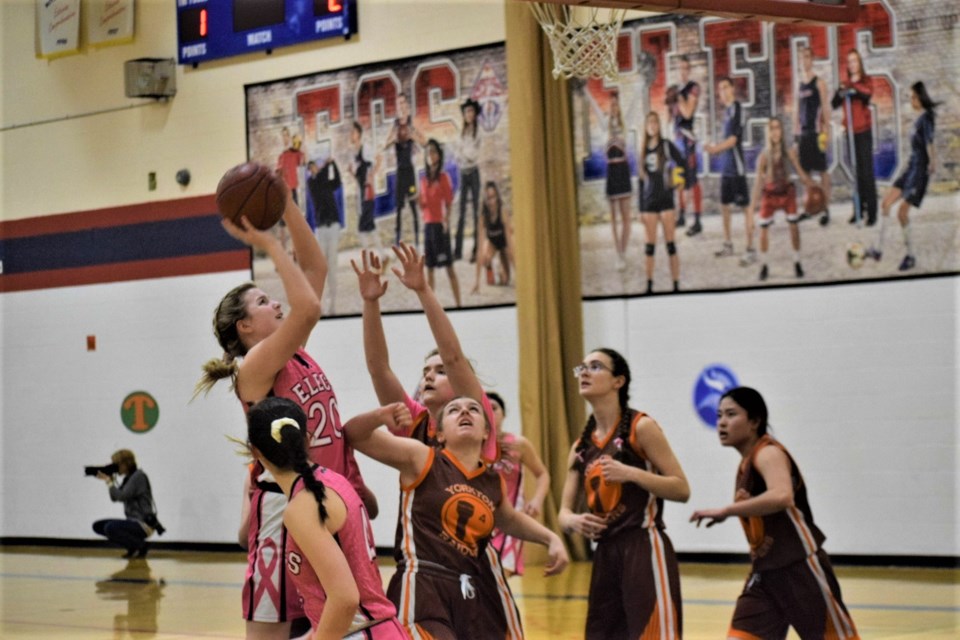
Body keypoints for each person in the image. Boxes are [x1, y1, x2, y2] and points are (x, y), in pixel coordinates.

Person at [196, 185, 375, 640]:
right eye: (262, 302)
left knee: (336, 626)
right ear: (246, 326)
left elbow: (317, 269)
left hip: (326, 501)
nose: (277, 303)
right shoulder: (254, 369)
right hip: (283, 510)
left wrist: (286, 201)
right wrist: (269, 243)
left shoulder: (296, 354)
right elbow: (310, 306)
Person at [345, 394, 569, 639]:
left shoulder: (492, 481)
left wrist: (551, 539)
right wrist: (379, 416)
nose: (464, 412)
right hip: (423, 583)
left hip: (468, 589)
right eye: (454, 410)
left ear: (486, 432)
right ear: (440, 434)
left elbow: (508, 518)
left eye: (473, 409)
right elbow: (355, 435)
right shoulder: (422, 457)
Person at [690, 387, 860, 640]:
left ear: (755, 421)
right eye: (719, 415)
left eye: (731, 414)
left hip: (799, 568)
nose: (722, 422)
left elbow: (782, 495)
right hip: (765, 574)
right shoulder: (746, 464)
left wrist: (727, 510)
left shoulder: (768, 452)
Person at [246, 397, 408, 640]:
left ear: (255, 451)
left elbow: (345, 599)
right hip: (382, 630)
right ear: (307, 439)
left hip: (361, 633)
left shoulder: (302, 507)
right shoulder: (335, 482)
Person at [558, 348, 690, 639]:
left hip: (643, 544)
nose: (584, 373)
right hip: (605, 552)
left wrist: (631, 473)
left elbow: (681, 488)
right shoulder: (581, 445)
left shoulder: (642, 427)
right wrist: (573, 521)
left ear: (618, 381)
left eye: (595, 367)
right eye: (581, 367)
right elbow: (563, 513)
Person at [351, 243, 500, 465]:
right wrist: (370, 302)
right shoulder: (414, 422)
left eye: (441, 372)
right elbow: (379, 370)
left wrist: (423, 290)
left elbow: (453, 357)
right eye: (426, 372)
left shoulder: (475, 418)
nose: (428, 377)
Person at [868, 81, 938, 272]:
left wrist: (933, 161)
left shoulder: (927, 118)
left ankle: (911, 256)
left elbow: (930, 141)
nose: (911, 100)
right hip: (909, 169)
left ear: (920, 97)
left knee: (902, 213)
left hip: (919, 171)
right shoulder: (918, 119)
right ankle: (878, 250)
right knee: (885, 203)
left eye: (913, 97)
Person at [487, 392, 551, 577]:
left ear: (504, 414)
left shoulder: (518, 444)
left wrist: (537, 500)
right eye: (485, 409)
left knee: (500, 573)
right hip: (483, 518)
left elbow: (542, 474)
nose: (490, 413)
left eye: (495, 408)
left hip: (511, 517)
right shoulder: (475, 445)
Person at [748, 117, 814, 282]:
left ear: (782, 131)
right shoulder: (763, 156)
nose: (775, 131)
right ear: (768, 132)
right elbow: (757, 182)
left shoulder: (789, 151)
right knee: (763, 229)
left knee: (794, 226)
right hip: (769, 194)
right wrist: (752, 207)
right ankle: (764, 265)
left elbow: (799, 171)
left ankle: (797, 261)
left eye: (778, 128)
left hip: (786, 192)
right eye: (772, 128)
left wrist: (811, 184)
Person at [705, 77, 756, 265]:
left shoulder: (738, 109)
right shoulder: (726, 112)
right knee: (724, 207)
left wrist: (714, 149)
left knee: (745, 208)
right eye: (720, 88)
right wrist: (715, 149)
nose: (723, 91)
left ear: (733, 89)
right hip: (725, 168)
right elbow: (725, 140)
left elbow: (733, 140)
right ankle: (728, 244)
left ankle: (751, 249)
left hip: (737, 168)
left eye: (725, 87)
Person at [637, 111, 685, 294]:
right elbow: (641, 182)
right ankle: (649, 285)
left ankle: (676, 285)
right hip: (649, 202)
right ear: (646, 127)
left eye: (655, 122)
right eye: (649, 123)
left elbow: (681, 161)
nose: (652, 126)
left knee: (671, 245)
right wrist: (641, 208)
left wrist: (679, 181)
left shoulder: (666, 145)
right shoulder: (642, 150)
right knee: (649, 247)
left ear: (659, 125)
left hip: (666, 199)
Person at [588, 89, 634, 271]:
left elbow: (634, 104)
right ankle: (618, 254)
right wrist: (584, 89)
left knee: (626, 217)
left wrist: (640, 83)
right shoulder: (605, 123)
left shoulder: (625, 124)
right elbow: (594, 106)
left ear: (619, 106)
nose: (614, 107)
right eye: (612, 104)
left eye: (616, 104)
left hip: (623, 169)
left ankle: (623, 251)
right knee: (614, 217)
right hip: (611, 171)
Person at [831, 49, 877, 226]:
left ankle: (872, 213)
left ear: (859, 63)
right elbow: (834, 104)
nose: (852, 64)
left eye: (855, 61)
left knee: (866, 173)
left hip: (864, 132)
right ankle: (858, 209)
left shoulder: (866, 81)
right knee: (855, 174)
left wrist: (852, 88)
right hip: (850, 133)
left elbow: (866, 95)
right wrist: (840, 92)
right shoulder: (845, 83)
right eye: (849, 62)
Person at [91, 449, 162, 559]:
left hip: (143, 524)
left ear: (125, 464)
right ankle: (132, 547)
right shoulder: (128, 479)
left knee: (110, 528)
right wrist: (110, 481)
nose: (114, 467)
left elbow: (121, 496)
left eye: (116, 464)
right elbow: (114, 498)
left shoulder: (138, 476)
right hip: (132, 522)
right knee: (98, 526)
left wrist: (109, 482)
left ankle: (141, 545)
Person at [419, 138, 462, 307]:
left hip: (440, 226)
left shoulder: (444, 177)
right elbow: (424, 206)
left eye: (434, 152)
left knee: (449, 268)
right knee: (429, 269)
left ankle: (459, 304)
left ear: (439, 155)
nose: (431, 155)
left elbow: (449, 202)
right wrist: (417, 201)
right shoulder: (423, 180)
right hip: (428, 226)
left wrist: (446, 220)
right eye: (428, 152)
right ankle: (431, 307)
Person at [794, 44, 832, 226]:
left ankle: (826, 210)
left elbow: (825, 107)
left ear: (812, 60)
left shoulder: (819, 82)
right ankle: (808, 208)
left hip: (817, 133)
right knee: (805, 173)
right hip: (804, 134)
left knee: (823, 171)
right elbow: (797, 111)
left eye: (808, 57)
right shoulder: (800, 84)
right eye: (802, 58)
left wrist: (828, 131)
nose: (805, 61)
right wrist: (796, 135)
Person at [383, 93, 425, 247]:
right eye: (398, 103)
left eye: (402, 103)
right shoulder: (395, 125)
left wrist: (414, 137)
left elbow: (424, 142)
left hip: (410, 171)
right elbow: (385, 145)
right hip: (400, 171)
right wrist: (392, 139)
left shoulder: (411, 123)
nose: (400, 106)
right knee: (399, 210)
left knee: (414, 207)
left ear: (406, 105)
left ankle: (417, 242)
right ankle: (397, 242)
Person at [669, 55, 703, 236]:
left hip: (688, 140)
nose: (682, 72)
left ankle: (697, 220)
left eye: (685, 68)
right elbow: (672, 116)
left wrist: (678, 98)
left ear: (688, 70)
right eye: (679, 68)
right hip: (676, 140)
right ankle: (681, 216)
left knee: (693, 180)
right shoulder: (676, 90)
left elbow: (688, 113)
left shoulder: (692, 88)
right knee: (679, 179)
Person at [307, 156, 343, 315]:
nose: (315, 168)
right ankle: (318, 301)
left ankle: (333, 301)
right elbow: (320, 176)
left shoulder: (327, 183)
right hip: (321, 228)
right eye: (313, 167)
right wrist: (326, 163)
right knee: (321, 266)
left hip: (333, 225)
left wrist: (333, 164)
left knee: (332, 264)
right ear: (310, 171)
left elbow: (338, 180)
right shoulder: (312, 183)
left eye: (315, 166)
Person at [349, 120, 386, 264]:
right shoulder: (354, 153)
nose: (350, 135)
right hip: (361, 194)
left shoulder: (366, 149)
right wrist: (352, 174)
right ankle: (382, 257)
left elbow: (379, 158)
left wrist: (372, 175)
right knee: (369, 227)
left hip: (367, 193)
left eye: (353, 132)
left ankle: (374, 261)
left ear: (358, 134)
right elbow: (358, 177)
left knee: (362, 229)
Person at [471, 181, 515, 294]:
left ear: (497, 197)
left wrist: (520, 278)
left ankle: (502, 264)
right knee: (484, 258)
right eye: (488, 198)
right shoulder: (483, 216)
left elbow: (510, 246)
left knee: (505, 280)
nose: (491, 202)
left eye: (493, 197)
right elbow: (479, 249)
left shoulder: (502, 211)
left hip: (505, 241)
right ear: (484, 199)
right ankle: (492, 267)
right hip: (493, 242)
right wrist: (476, 282)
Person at [455, 98, 482, 263]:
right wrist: (463, 154)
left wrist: (463, 153)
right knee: (461, 212)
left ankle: (476, 250)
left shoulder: (478, 132)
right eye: (466, 112)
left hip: (474, 173)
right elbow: (457, 154)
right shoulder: (461, 132)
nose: (469, 115)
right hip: (463, 173)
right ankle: (457, 251)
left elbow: (473, 155)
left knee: (476, 212)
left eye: (471, 111)